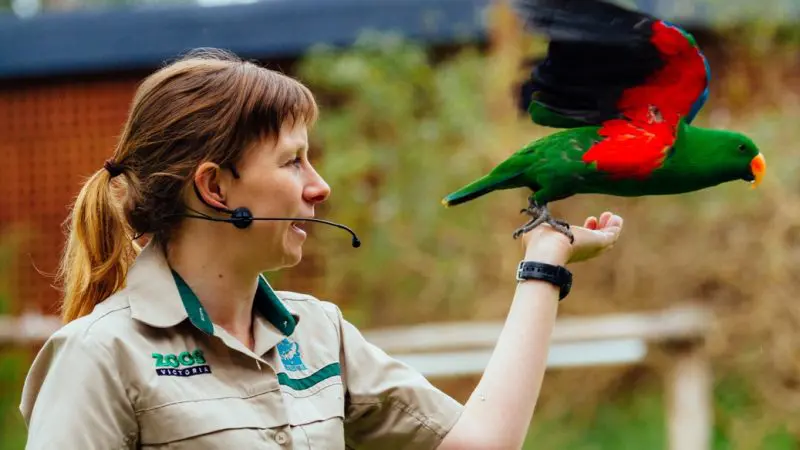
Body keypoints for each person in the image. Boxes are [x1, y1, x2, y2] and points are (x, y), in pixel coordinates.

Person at [19, 48, 623, 449]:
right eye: (293, 160)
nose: (319, 186)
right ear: (214, 187)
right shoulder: (98, 357)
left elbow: (482, 443)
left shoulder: (318, 332)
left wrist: (543, 262)